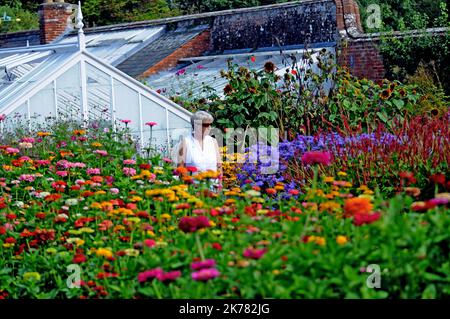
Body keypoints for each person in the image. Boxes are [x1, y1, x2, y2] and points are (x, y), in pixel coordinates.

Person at [177, 111, 222, 188]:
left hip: (213, 189)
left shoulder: (213, 141)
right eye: (206, 125)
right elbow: (180, 169)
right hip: (194, 190)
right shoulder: (185, 142)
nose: (209, 128)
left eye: (210, 124)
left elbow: (219, 167)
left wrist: (220, 186)